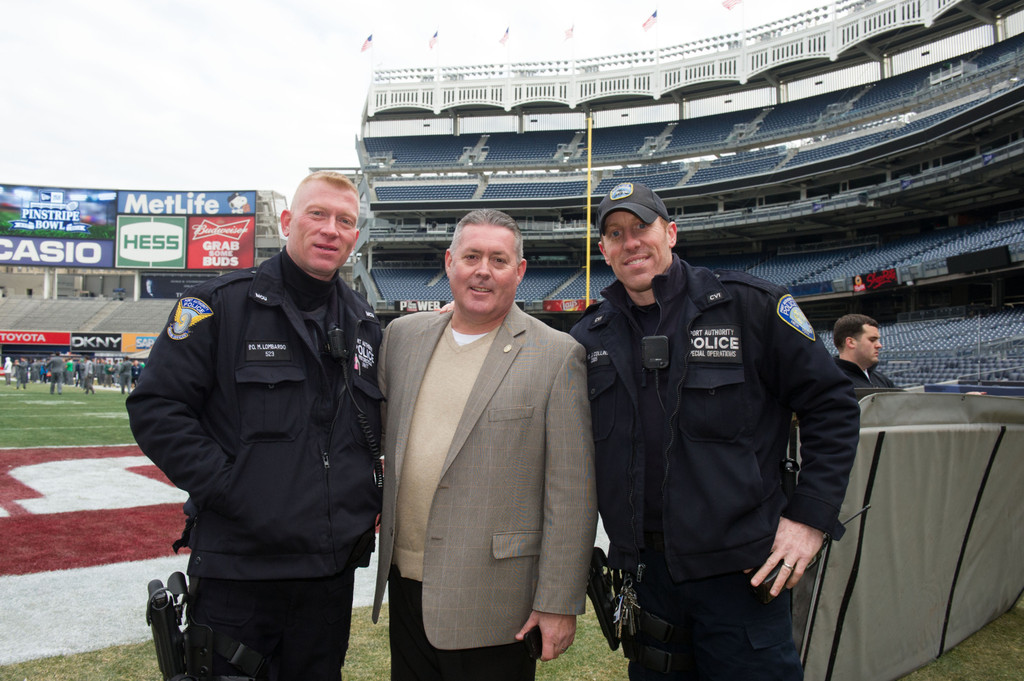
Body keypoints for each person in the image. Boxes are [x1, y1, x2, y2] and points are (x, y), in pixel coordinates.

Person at [569, 182, 860, 680]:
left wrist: (809, 519)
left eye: (642, 227)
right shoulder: (588, 336)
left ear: (672, 232)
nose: (630, 241)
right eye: (615, 233)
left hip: (741, 573)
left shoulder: (749, 307)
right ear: (604, 251)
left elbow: (832, 405)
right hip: (647, 576)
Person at [127, 171, 383, 681]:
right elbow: (157, 407)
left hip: (327, 578)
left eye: (345, 221)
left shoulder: (364, 323)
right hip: (238, 572)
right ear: (288, 222)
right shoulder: (218, 305)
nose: (331, 229)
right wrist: (233, 489)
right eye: (317, 214)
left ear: (356, 237)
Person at [372, 209, 597, 681]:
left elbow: (572, 494)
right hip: (407, 586)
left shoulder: (557, 355)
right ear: (449, 261)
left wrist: (557, 602)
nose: (483, 270)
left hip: (495, 599)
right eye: (471, 256)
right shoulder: (402, 337)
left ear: (519, 271)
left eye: (498, 259)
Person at [832, 313, 897, 389]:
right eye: (872, 340)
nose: (879, 345)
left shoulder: (882, 380)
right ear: (851, 342)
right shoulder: (832, 383)